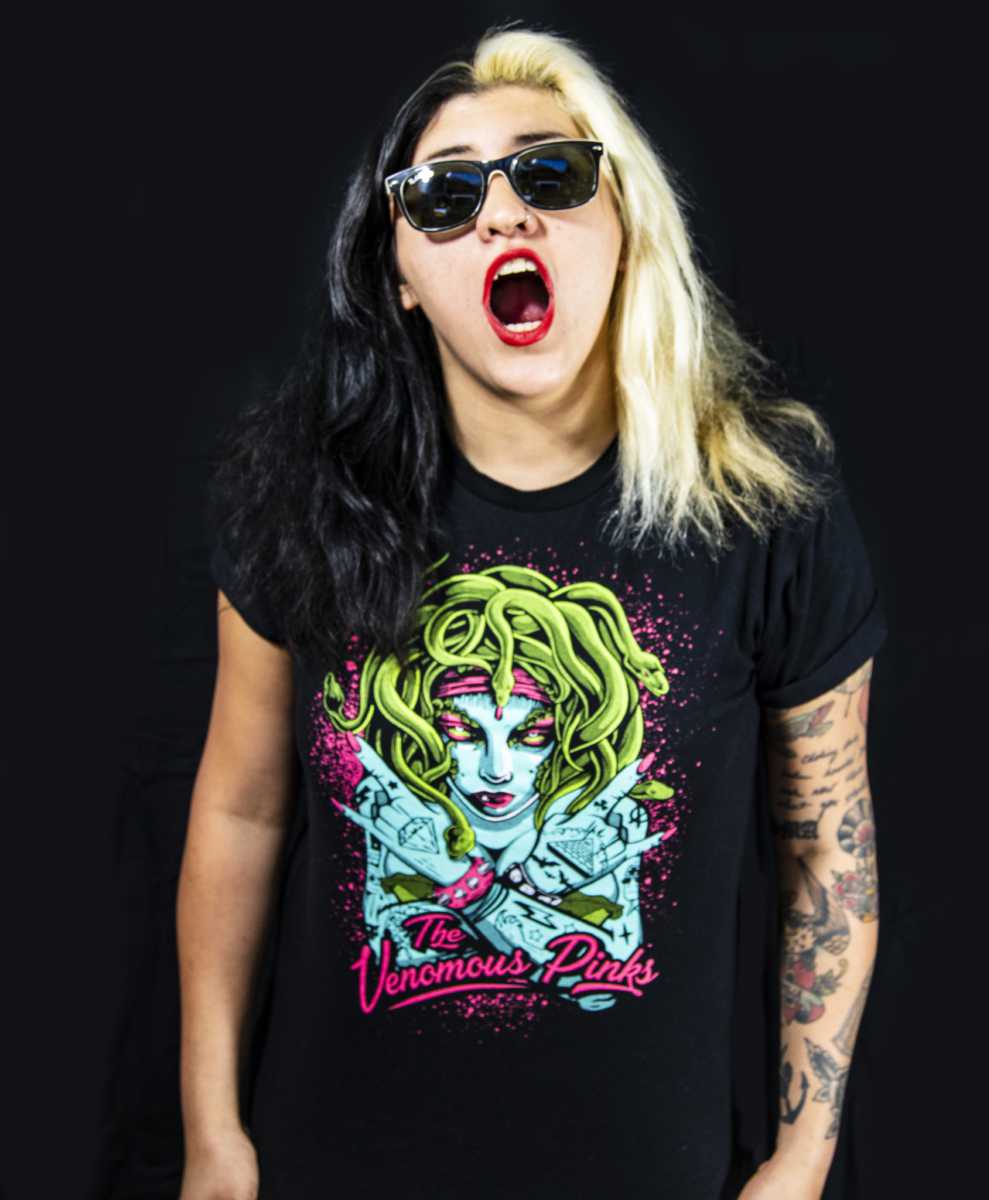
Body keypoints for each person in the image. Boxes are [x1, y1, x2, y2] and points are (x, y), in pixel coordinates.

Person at [177, 23, 888, 1200]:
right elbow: (241, 811)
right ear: (399, 278)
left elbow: (827, 856)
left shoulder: (766, 506)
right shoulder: (299, 495)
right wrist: (212, 1134)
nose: (502, 214)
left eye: (549, 173)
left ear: (624, 223)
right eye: (444, 196)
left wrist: (799, 1165)